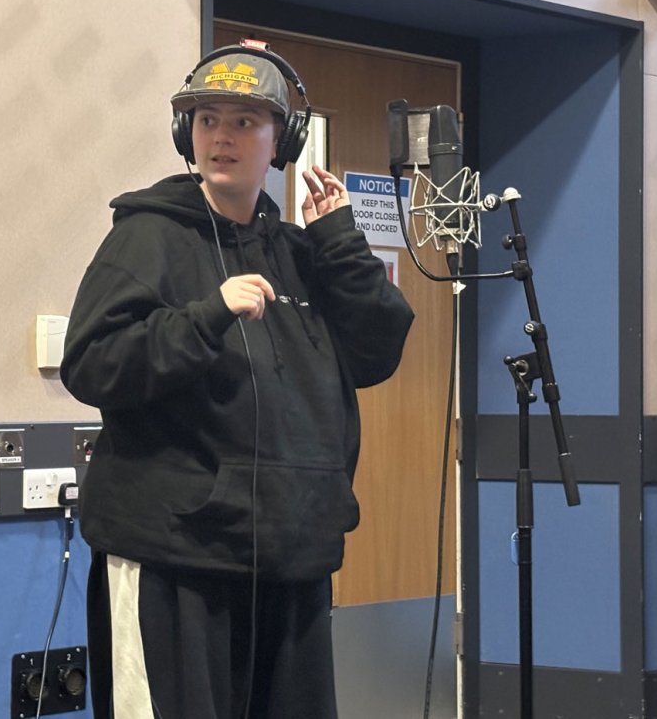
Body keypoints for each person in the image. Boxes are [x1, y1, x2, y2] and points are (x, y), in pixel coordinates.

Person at [60, 39, 413, 719]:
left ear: (284, 139)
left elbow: (377, 352)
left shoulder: (303, 253)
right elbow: (94, 362)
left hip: (290, 555)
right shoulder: (148, 238)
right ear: (184, 134)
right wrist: (205, 317)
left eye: (245, 121)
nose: (222, 136)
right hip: (175, 556)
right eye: (207, 119)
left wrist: (339, 241)